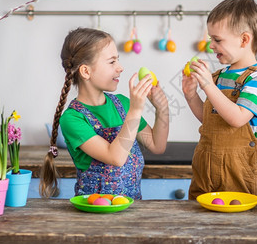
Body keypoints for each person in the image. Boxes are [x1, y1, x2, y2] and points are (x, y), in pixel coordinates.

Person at [40, 28, 169, 200]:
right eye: (111, 62)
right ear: (86, 71)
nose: (120, 68)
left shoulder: (123, 104)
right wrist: (136, 110)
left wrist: (162, 109)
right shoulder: (73, 119)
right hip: (94, 216)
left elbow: (157, 146)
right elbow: (115, 157)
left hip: (131, 210)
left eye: (118, 60)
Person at [182, 0, 257, 200]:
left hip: (239, 178)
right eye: (210, 39)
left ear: (244, 39)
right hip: (205, 173)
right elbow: (211, 120)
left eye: (217, 40)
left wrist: (207, 85)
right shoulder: (220, 76)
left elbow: (237, 119)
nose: (211, 46)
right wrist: (191, 95)